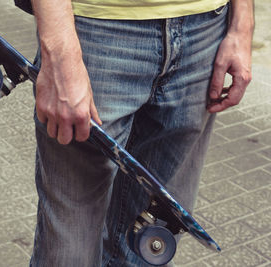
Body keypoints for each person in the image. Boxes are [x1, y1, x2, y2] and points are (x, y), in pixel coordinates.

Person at [16, 0, 254, 266]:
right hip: (95, 28)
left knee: (148, 245)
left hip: (205, 30)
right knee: (70, 252)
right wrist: (59, 53)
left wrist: (242, 24)